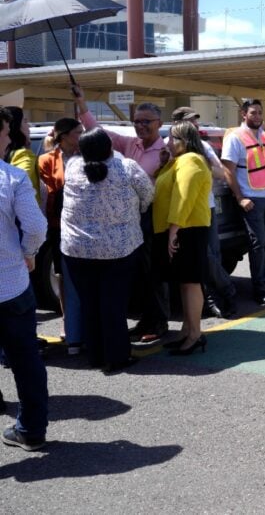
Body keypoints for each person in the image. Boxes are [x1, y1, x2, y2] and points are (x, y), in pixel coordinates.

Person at [72, 86, 170, 342]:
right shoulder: (130, 144)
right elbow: (99, 133)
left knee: (153, 273)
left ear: (159, 122)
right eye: (136, 121)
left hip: (153, 218)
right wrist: (82, 104)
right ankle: (145, 320)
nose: (140, 126)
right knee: (138, 275)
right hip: (130, 221)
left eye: (146, 121)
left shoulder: (167, 151)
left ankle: (159, 322)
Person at [62, 128, 154, 373]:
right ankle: (117, 356)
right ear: (109, 147)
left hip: (76, 249)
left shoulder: (72, 166)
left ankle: (95, 354)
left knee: (89, 303)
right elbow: (148, 195)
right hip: (119, 248)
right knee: (113, 304)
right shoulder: (127, 167)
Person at [0, 107, 49, 451]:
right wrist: (28, 252)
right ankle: (31, 430)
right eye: (4, 133)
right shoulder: (12, 178)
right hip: (11, 284)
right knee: (25, 361)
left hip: (12, 282)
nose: (8, 139)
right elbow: (35, 226)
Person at [170, 106, 236, 319]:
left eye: (196, 122)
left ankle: (222, 293)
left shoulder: (203, 147)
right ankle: (212, 299)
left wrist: (199, 166)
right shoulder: (168, 146)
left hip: (205, 207)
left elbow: (220, 172)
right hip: (178, 211)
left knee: (210, 256)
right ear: (178, 124)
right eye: (191, 122)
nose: (196, 126)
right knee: (199, 259)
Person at [155, 122, 213, 355]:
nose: (167, 142)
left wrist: (173, 230)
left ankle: (195, 334)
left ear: (184, 141)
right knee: (184, 281)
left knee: (190, 282)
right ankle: (186, 330)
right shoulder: (178, 161)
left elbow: (183, 196)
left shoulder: (191, 160)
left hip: (187, 229)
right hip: (180, 228)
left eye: (171, 138)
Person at [221, 99, 265, 306]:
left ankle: (264, 279)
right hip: (251, 200)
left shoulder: (263, 135)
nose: (257, 116)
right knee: (257, 245)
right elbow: (228, 170)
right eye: (253, 113)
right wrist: (240, 198)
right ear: (243, 114)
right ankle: (259, 289)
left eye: (259, 113)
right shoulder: (235, 138)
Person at [36, 118, 85, 351]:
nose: (82, 135)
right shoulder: (47, 160)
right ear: (64, 135)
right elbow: (47, 196)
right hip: (59, 226)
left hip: (84, 225)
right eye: (78, 132)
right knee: (63, 277)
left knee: (83, 276)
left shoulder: (86, 155)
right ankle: (69, 324)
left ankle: (84, 325)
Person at [2, 107, 40, 202]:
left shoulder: (7, 151)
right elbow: (18, 181)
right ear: (17, 126)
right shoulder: (23, 154)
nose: (29, 126)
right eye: (25, 121)